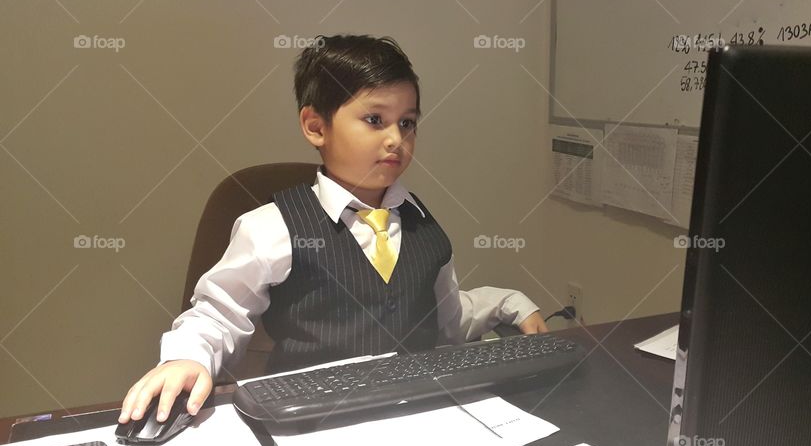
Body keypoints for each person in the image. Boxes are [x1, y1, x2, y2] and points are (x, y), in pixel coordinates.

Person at [118, 34, 548, 425]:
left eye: (408, 122)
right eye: (375, 120)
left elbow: (447, 321)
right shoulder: (272, 227)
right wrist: (184, 359)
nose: (396, 139)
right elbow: (218, 315)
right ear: (315, 126)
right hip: (309, 421)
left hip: (416, 417)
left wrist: (506, 302)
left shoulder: (422, 223)